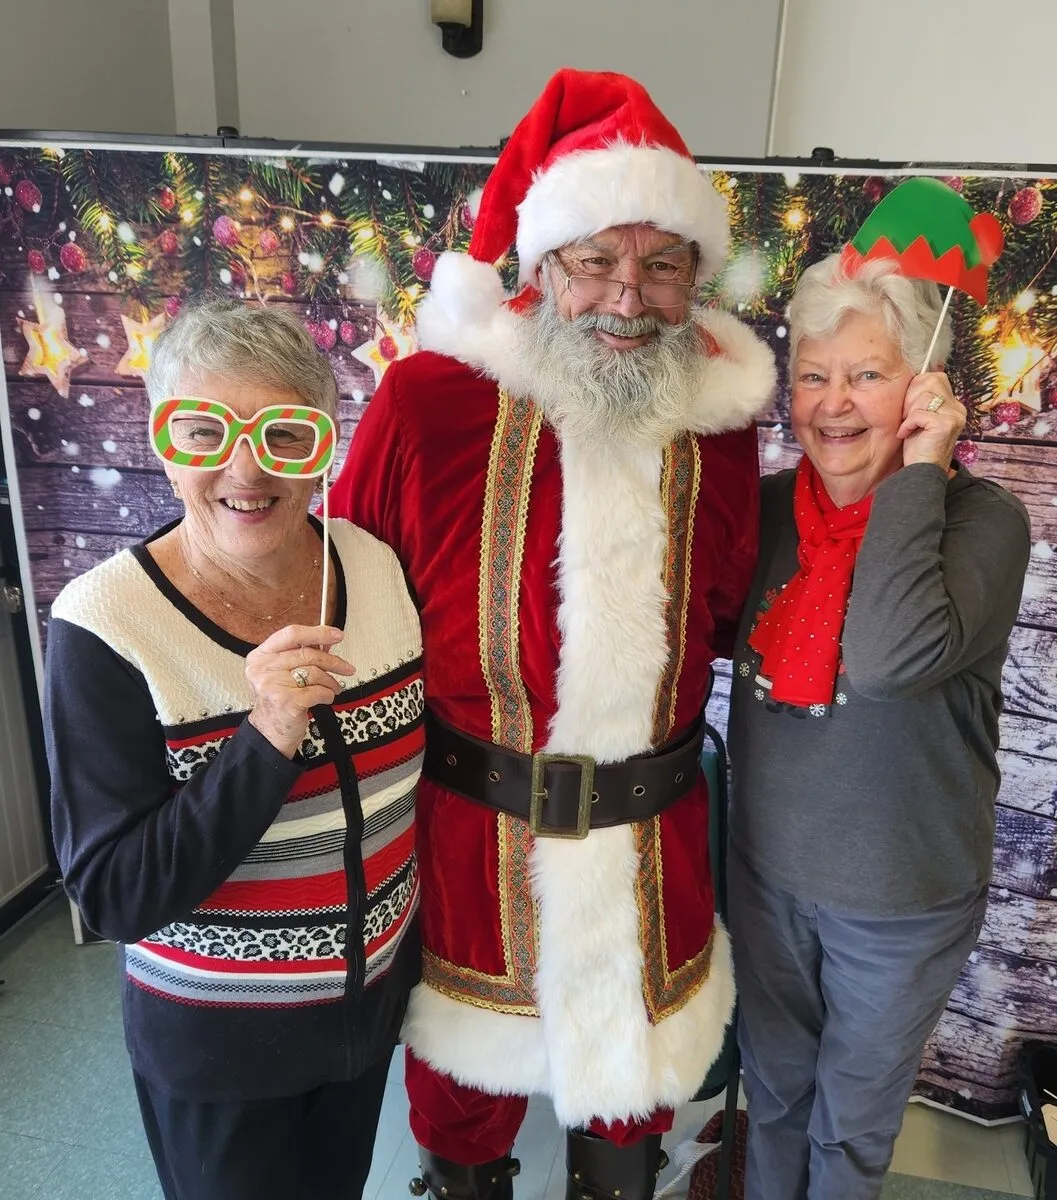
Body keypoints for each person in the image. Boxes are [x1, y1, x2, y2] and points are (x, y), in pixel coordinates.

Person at [327, 69, 777, 1200]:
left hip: (650, 847)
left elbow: (726, 616)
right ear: (539, 268)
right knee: (464, 1114)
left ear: (694, 279)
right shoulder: (427, 404)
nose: (629, 296)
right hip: (472, 837)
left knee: (631, 1109)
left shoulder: (719, 435)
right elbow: (350, 604)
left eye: (664, 264)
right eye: (597, 259)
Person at [44, 300, 424, 1200]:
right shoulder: (105, 626)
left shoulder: (373, 566)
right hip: (218, 1052)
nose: (245, 469)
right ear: (163, 440)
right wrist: (264, 742)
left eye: (284, 434)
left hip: (364, 1022)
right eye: (206, 429)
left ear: (324, 444)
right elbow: (113, 893)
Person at [726, 253, 1032, 1200]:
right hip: (767, 876)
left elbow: (895, 659)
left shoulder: (983, 522)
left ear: (924, 386)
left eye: (868, 375)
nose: (834, 405)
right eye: (814, 376)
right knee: (770, 1100)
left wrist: (922, 466)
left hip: (898, 900)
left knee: (849, 1131)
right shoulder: (770, 508)